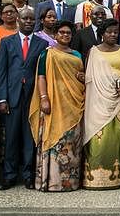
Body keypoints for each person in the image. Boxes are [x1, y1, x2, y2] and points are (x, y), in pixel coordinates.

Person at [28, 21, 86, 192]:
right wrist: (44, 98)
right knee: (53, 139)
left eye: (68, 33)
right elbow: (41, 77)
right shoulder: (48, 54)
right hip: (54, 101)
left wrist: (82, 77)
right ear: (55, 35)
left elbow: (81, 76)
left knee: (71, 143)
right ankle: (51, 182)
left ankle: (70, 183)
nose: (65, 35)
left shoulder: (77, 54)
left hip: (73, 102)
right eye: (61, 32)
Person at [0, 9, 48, 190]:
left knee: (29, 138)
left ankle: (28, 175)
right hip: (12, 96)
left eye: (31, 19)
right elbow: (1, 73)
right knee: (11, 137)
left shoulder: (42, 44)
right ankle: (9, 176)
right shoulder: (6, 42)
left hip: (32, 96)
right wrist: (2, 98)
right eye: (25, 18)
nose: (28, 21)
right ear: (18, 20)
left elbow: (43, 72)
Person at [83, 19, 120, 189]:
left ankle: (117, 178)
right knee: (97, 139)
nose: (113, 35)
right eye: (109, 32)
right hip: (97, 102)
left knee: (116, 139)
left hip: (118, 101)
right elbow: (88, 77)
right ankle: (94, 179)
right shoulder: (93, 52)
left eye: (115, 32)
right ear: (101, 34)